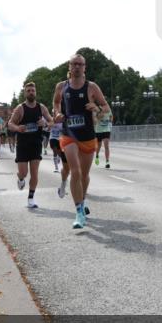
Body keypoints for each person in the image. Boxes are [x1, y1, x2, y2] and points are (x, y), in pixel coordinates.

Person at [52, 54, 109, 229]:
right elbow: (56, 103)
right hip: (69, 134)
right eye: (74, 64)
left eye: (80, 64)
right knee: (75, 171)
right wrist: (57, 113)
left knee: (84, 175)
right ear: (69, 66)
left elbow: (106, 108)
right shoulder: (61, 86)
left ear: (85, 67)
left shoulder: (91, 87)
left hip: (87, 135)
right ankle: (78, 212)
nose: (77, 67)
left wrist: (96, 108)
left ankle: (82, 203)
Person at [9, 82, 53, 208]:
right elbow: (10, 124)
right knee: (24, 173)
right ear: (25, 93)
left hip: (36, 144)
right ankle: (20, 178)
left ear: (36, 92)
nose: (31, 93)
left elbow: (51, 122)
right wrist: (18, 128)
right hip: (23, 145)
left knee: (34, 173)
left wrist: (45, 123)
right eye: (28, 91)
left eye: (33, 90)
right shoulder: (20, 108)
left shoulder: (41, 108)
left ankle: (31, 198)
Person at [48, 117, 70, 196]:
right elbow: (48, 127)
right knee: (55, 151)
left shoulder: (63, 122)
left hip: (60, 140)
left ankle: (59, 159)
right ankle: (56, 167)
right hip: (53, 138)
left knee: (60, 154)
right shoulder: (51, 120)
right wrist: (50, 125)